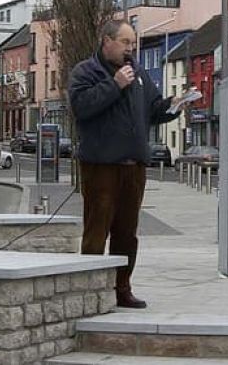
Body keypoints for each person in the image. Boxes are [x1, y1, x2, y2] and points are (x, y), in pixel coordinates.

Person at [68, 19, 187, 309]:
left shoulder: (140, 74)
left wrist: (174, 105)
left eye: (132, 43)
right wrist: (115, 84)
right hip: (102, 165)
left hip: (134, 166)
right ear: (106, 41)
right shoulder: (86, 72)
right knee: (97, 230)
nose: (130, 49)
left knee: (127, 233)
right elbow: (82, 107)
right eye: (125, 42)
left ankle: (122, 288)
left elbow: (153, 110)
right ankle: (91, 290)